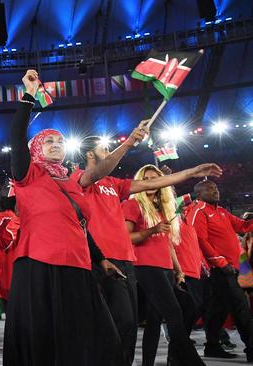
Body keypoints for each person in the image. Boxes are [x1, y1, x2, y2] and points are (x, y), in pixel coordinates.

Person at [3, 70, 121, 365]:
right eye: (48, 141)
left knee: (90, 338)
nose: (56, 144)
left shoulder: (74, 179)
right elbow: (17, 138)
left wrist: (100, 258)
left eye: (60, 141)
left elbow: (78, 224)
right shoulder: (27, 174)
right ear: (35, 149)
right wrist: (28, 95)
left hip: (78, 266)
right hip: (39, 266)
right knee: (45, 339)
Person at [74, 137, 221, 365]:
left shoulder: (114, 183)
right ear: (90, 155)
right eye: (105, 149)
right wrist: (130, 141)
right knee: (117, 321)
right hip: (101, 259)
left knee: (130, 325)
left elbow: (152, 184)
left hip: (126, 260)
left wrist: (191, 172)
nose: (110, 152)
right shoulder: (80, 179)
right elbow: (97, 173)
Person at [122, 164, 205, 365]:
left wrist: (179, 271)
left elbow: (167, 245)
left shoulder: (161, 209)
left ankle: (154, 362)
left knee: (155, 319)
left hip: (166, 269)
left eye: (154, 178)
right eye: (146, 178)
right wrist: (152, 230)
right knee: (178, 310)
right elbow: (126, 238)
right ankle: (189, 360)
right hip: (145, 267)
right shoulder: (132, 205)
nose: (151, 182)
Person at [187, 180, 253, 360]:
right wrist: (221, 263)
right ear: (199, 194)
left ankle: (212, 346)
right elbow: (200, 240)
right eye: (209, 188)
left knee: (218, 310)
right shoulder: (198, 211)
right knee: (241, 308)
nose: (215, 191)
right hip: (219, 270)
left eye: (216, 188)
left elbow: (243, 226)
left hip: (231, 268)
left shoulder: (222, 211)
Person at [0, 181, 19, 305]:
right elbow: (4, 241)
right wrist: (20, 218)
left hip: (26, 276)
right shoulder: (2, 217)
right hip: (9, 278)